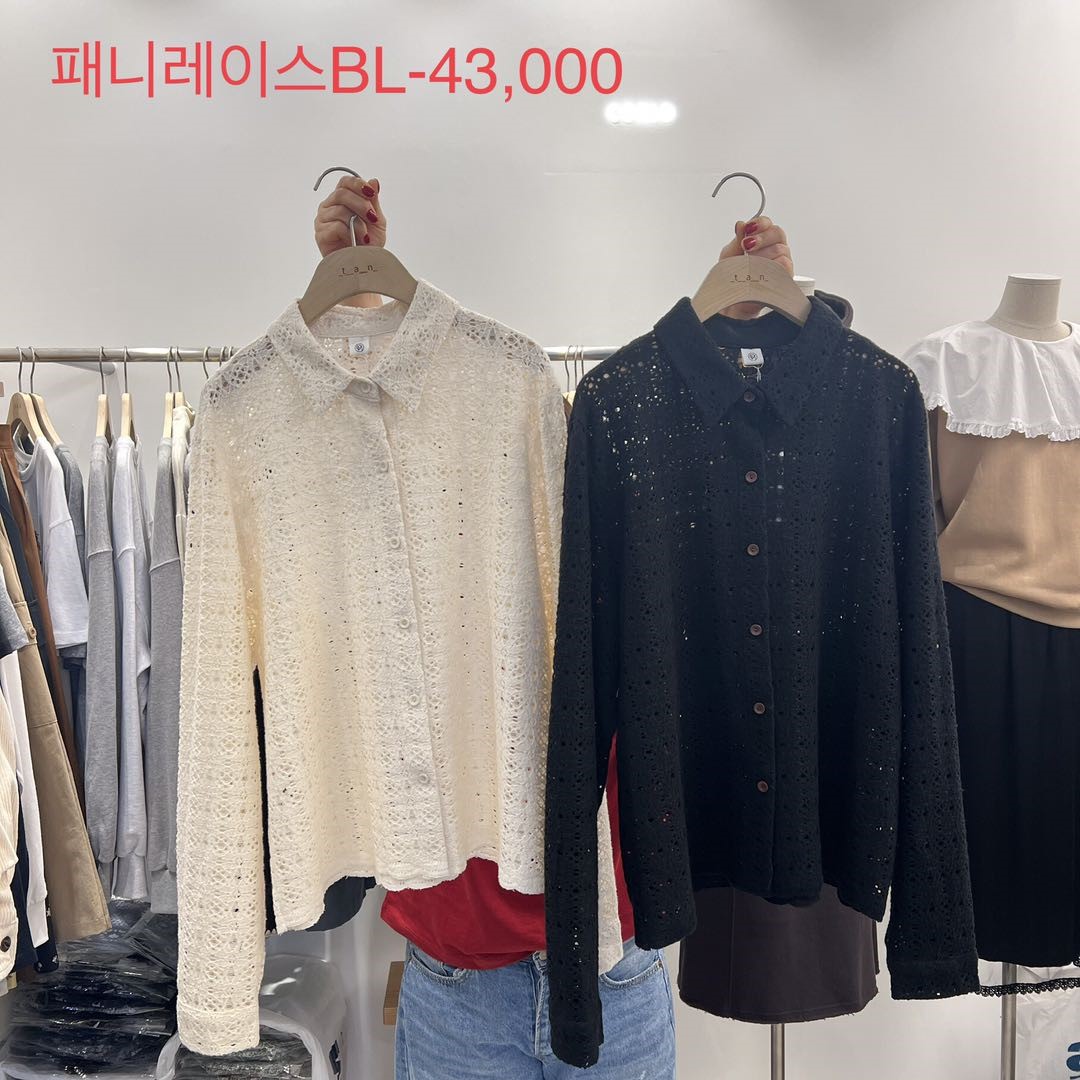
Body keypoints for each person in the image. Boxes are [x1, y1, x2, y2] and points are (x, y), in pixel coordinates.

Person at [311, 174, 797, 1078]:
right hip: (459, 969)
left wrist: (747, 318)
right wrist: (360, 299)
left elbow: (759, 491)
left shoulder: (649, 503)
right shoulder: (444, 514)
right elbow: (350, 473)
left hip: (617, 959)